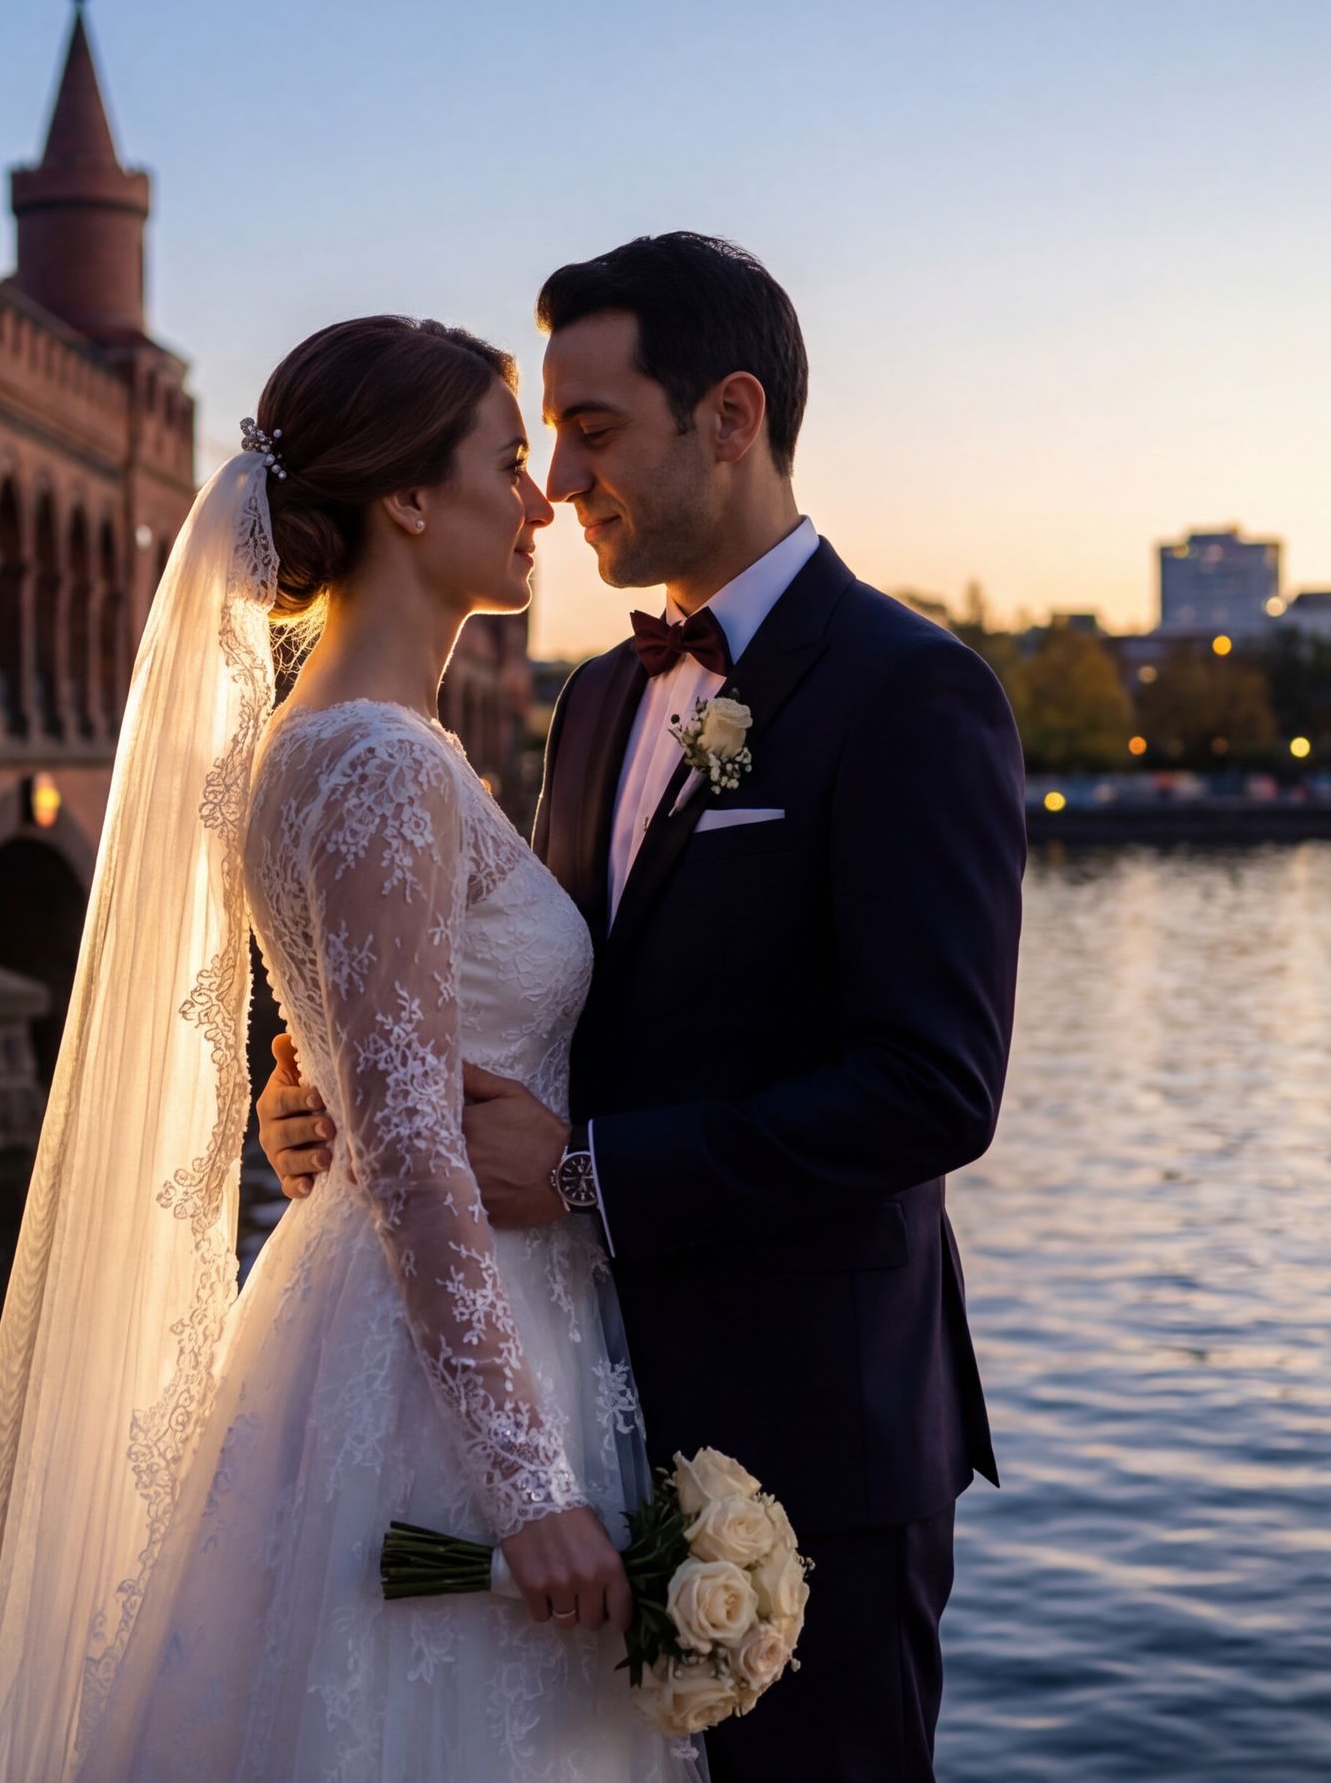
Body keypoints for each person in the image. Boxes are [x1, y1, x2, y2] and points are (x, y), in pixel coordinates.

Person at [262, 234, 1026, 1781]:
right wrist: (336, 1088)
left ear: (730, 416)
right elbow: (540, 1007)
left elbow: (934, 1084)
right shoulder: (599, 700)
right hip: (580, 1405)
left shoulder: (910, 691)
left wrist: (592, 1174)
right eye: (540, 432)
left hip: (818, 1436)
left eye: (594, 428)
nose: (559, 474)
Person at [0, 315, 685, 1780]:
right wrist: (527, 1489)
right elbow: (407, 1148)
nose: (540, 503)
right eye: (509, 464)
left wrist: (296, 1085)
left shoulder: (342, 739)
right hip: (437, 1370)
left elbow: (357, 1050)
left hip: (390, 1317)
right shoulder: (380, 757)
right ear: (406, 497)